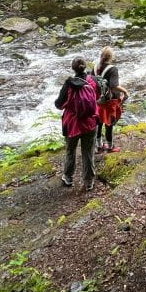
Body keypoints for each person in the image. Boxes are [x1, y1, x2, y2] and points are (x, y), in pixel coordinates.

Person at [54, 56, 99, 191]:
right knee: (88, 152)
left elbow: (59, 104)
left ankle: (68, 177)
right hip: (90, 122)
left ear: (73, 68)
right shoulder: (93, 81)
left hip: (72, 123)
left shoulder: (68, 84)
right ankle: (89, 181)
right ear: (85, 67)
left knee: (70, 150)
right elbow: (98, 97)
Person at [94, 46, 130, 153]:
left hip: (98, 100)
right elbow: (114, 85)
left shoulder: (95, 68)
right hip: (110, 101)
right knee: (109, 122)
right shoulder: (112, 69)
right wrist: (125, 91)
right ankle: (110, 146)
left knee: (99, 122)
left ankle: (98, 145)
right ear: (111, 57)